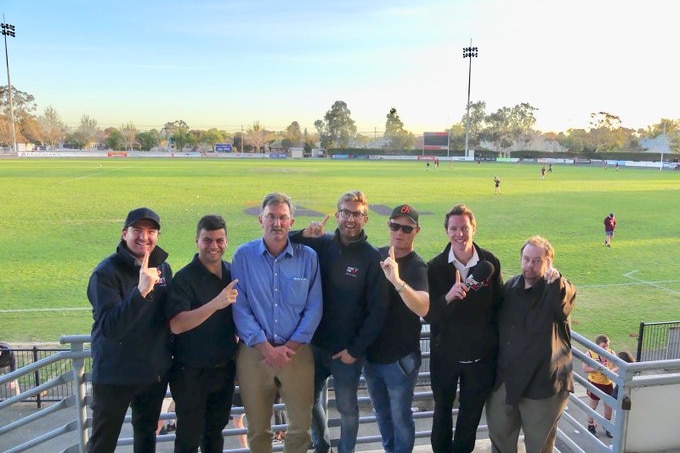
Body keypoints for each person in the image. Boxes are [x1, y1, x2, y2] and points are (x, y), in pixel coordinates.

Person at [290, 190, 389, 453]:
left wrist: (356, 350)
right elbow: (278, 242)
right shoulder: (322, 244)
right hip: (315, 346)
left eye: (357, 214)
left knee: (347, 408)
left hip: (346, 353)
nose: (350, 219)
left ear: (365, 218)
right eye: (345, 212)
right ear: (337, 214)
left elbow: (378, 311)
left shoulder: (371, 257)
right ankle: (321, 445)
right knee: (308, 400)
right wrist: (302, 234)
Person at [232, 192, 323, 453]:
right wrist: (266, 348)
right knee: (258, 429)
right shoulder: (243, 256)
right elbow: (240, 308)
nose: (277, 223)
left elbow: (314, 308)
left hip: (297, 354)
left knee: (300, 428)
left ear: (292, 222)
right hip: (254, 354)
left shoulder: (308, 258)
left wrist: (289, 348)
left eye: (283, 217)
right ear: (261, 219)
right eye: (271, 217)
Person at [87, 207, 173, 453]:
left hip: (151, 375)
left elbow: (169, 316)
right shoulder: (105, 273)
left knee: (146, 439)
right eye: (137, 231)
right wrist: (140, 291)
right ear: (124, 233)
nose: (144, 237)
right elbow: (112, 328)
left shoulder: (163, 269)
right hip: (114, 375)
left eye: (151, 231)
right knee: (103, 443)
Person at [486, 235, 576, 453]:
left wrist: (556, 280)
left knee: (539, 447)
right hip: (505, 381)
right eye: (526, 259)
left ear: (549, 262)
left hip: (542, 385)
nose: (530, 265)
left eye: (537, 260)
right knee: (499, 439)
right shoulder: (510, 287)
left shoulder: (558, 288)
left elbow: (562, 305)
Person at [425, 204, 503, 453]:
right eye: (454, 228)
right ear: (447, 231)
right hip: (445, 357)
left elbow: (499, 306)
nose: (460, 234)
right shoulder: (435, 267)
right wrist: (447, 298)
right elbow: (428, 315)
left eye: (464, 228)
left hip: (480, 359)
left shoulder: (490, 263)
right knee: (442, 412)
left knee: (470, 417)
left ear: (474, 229)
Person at [164, 214, 240, 453]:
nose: (214, 246)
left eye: (219, 240)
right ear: (197, 240)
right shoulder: (184, 278)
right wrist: (216, 304)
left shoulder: (231, 272)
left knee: (214, 437)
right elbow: (177, 324)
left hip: (224, 371)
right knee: (188, 439)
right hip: (190, 374)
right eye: (207, 240)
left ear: (226, 241)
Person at [364, 204, 430, 453]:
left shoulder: (417, 266)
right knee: (382, 415)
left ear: (416, 231)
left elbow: (423, 307)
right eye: (395, 225)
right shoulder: (375, 256)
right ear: (388, 224)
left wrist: (397, 281)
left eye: (406, 228)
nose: (399, 232)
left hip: (400, 361)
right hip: (371, 358)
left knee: (401, 418)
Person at [582, 334, 617, 438]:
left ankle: (607, 426)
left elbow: (617, 366)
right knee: (593, 406)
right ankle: (590, 425)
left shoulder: (611, 353)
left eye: (607, 346)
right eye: (603, 347)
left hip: (608, 383)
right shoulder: (590, 353)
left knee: (609, 406)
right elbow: (584, 369)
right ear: (597, 346)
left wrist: (610, 371)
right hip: (595, 383)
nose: (606, 349)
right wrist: (599, 369)